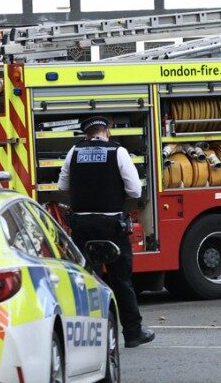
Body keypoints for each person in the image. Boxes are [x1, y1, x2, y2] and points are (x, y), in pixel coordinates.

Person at [57, 115, 154, 348]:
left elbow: (62, 186)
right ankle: (132, 333)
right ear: (106, 132)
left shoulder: (74, 152)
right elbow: (134, 190)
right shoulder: (117, 152)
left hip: (82, 226)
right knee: (121, 279)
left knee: (90, 280)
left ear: (86, 134)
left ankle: (94, 336)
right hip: (111, 226)